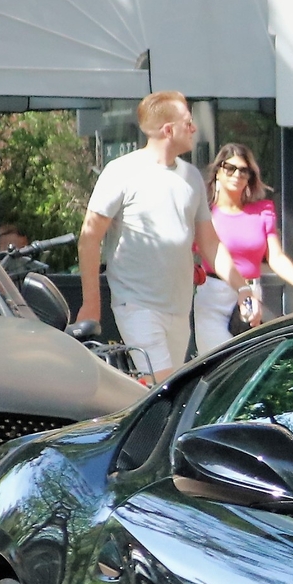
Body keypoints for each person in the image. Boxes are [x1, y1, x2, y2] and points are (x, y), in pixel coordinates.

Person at [75, 91, 245, 382]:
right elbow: (89, 238)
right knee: (162, 387)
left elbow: (210, 244)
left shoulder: (191, 177)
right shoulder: (121, 172)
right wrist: (91, 303)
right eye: (188, 122)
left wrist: (242, 289)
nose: (194, 128)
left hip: (179, 310)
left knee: (165, 391)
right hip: (137, 305)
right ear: (168, 130)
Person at [194, 142, 293, 355]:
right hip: (214, 294)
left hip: (251, 295)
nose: (236, 175)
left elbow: (276, 257)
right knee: (217, 363)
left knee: (247, 361)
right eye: (230, 168)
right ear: (217, 172)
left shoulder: (262, 211)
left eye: (244, 170)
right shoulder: (205, 214)